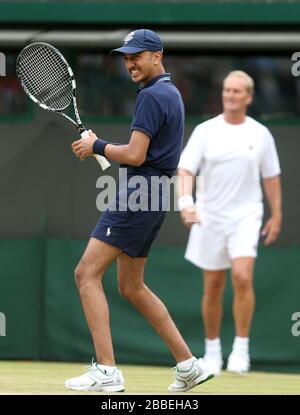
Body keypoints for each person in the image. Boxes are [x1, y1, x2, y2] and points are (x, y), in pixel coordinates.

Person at [64, 29, 214, 392]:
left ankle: (107, 371)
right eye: (126, 56)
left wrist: (97, 145)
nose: (129, 62)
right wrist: (102, 147)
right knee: (132, 286)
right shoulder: (171, 93)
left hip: (138, 194)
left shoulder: (150, 95)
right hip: (156, 195)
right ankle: (188, 364)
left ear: (157, 56)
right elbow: (139, 155)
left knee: (86, 274)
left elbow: (135, 155)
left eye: (137, 55)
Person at [177, 70, 282, 375]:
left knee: (242, 276)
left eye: (237, 91)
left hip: (247, 216)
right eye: (227, 90)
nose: (230, 95)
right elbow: (185, 171)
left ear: (249, 97)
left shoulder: (260, 134)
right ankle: (212, 352)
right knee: (213, 284)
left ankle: (241, 349)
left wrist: (277, 214)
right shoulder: (206, 131)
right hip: (210, 216)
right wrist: (186, 204)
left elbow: (271, 176)